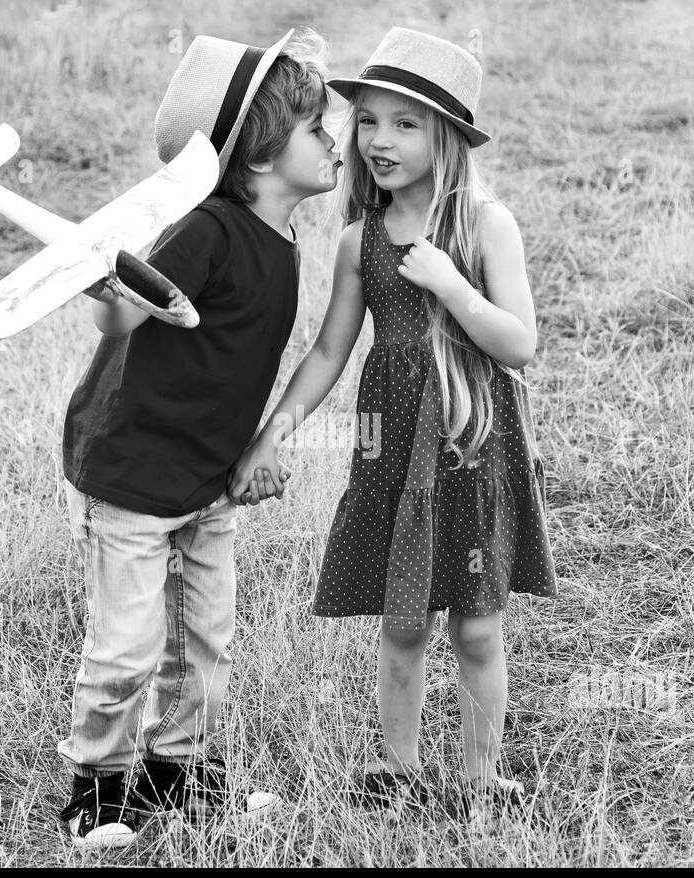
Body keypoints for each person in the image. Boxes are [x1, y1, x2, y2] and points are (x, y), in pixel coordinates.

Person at [230, 27, 556, 823]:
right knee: (403, 622)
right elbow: (328, 352)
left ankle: (482, 777)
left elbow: (521, 343)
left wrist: (452, 285)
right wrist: (276, 430)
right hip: (391, 454)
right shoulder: (359, 242)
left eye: (405, 124)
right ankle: (396, 768)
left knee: (476, 628)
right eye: (367, 120)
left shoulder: (486, 225)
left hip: (474, 445)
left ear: (446, 137)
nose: (378, 140)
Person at [59, 26, 339, 847]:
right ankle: (97, 789)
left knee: (204, 640)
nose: (335, 141)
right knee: (127, 646)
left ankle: (176, 775)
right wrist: (99, 279)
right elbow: (120, 315)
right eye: (317, 130)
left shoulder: (282, 238)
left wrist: (266, 443)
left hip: (210, 475)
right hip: (137, 470)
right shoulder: (208, 230)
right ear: (259, 159)